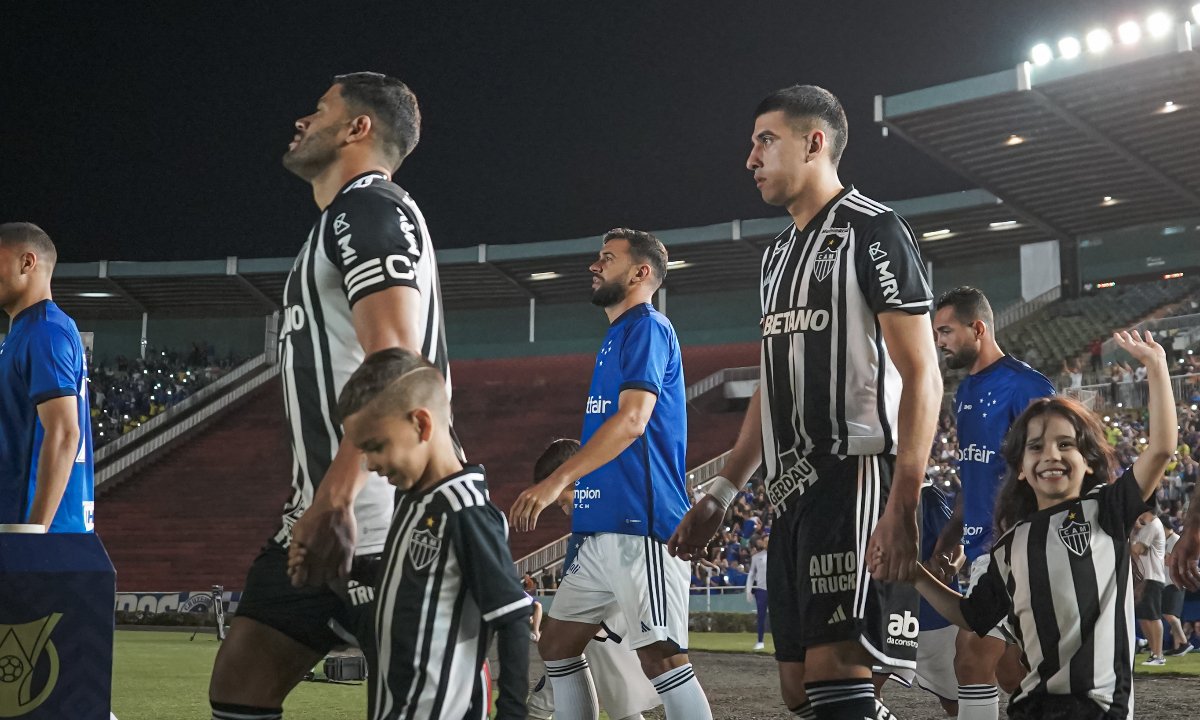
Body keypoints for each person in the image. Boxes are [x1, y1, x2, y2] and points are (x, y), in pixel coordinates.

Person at [669, 84, 943, 720]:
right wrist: (721, 493)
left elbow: (923, 371)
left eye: (766, 140)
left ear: (814, 143)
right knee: (799, 690)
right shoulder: (775, 256)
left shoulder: (874, 230)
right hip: (791, 491)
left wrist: (904, 499)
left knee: (837, 678)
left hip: (857, 472)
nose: (751, 158)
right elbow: (774, 380)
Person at [210, 73, 453, 720]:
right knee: (240, 683)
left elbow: (396, 360)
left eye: (319, 110)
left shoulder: (369, 210)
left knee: (424, 705)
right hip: (318, 515)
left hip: (378, 522)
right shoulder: (339, 222)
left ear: (357, 128)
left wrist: (338, 497)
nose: (301, 121)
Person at [909, 330, 1177, 720]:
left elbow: (1162, 448)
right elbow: (971, 615)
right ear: (1019, 469)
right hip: (1031, 708)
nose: (1050, 454)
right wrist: (915, 574)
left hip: (1099, 710)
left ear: (1088, 462)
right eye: (1036, 446)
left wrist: (1156, 366)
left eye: (1065, 444)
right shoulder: (1010, 545)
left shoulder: (1107, 508)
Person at [510, 228, 712, 720]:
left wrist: (558, 479)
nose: (594, 265)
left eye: (607, 258)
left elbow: (633, 420)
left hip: (640, 524)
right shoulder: (616, 335)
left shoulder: (648, 327)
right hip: (601, 527)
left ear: (641, 273)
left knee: (660, 656)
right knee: (557, 643)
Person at [300, 348, 529, 719]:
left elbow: (513, 617)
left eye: (376, 447)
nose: (369, 464)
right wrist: (346, 569)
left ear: (422, 424)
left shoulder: (466, 511)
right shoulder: (413, 500)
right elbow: (420, 581)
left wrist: (513, 714)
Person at [929, 286, 1055, 720]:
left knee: (970, 657)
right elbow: (974, 476)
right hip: (982, 546)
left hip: (1016, 546)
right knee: (1009, 671)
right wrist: (952, 536)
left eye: (946, 331)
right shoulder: (964, 392)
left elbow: (1058, 473)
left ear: (977, 328)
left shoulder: (1027, 386)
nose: (939, 341)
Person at [524, 438, 659, 720]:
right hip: (599, 617)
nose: (563, 509)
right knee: (618, 701)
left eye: (562, 498)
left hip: (597, 616)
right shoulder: (600, 511)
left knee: (559, 691)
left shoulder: (606, 514)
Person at [0, 222, 94, 533]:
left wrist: (33, 536)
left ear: (27, 262)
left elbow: (66, 433)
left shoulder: (44, 332)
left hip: (32, 535)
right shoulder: (25, 334)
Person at [1132, 510, 1168, 665]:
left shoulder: (1153, 525)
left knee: (1153, 616)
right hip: (1144, 578)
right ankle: (1154, 653)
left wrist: (1125, 539)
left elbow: (1137, 550)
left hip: (1152, 576)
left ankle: (1158, 655)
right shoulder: (1147, 527)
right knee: (1144, 618)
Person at [1160, 517, 1192, 656]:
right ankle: (1179, 645)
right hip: (1168, 581)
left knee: (1169, 614)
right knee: (1171, 615)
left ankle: (1185, 643)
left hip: (1175, 582)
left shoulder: (1176, 540)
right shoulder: (1167, 541)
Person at [745, 537, 769, 651]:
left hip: (775, 590)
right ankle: (760, 641)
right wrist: (748, 589)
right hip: (762, 589)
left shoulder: (779, 556)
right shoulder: (756, 557)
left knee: (779, 618)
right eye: (765, 541)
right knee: (761, 616)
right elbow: (751, 574)